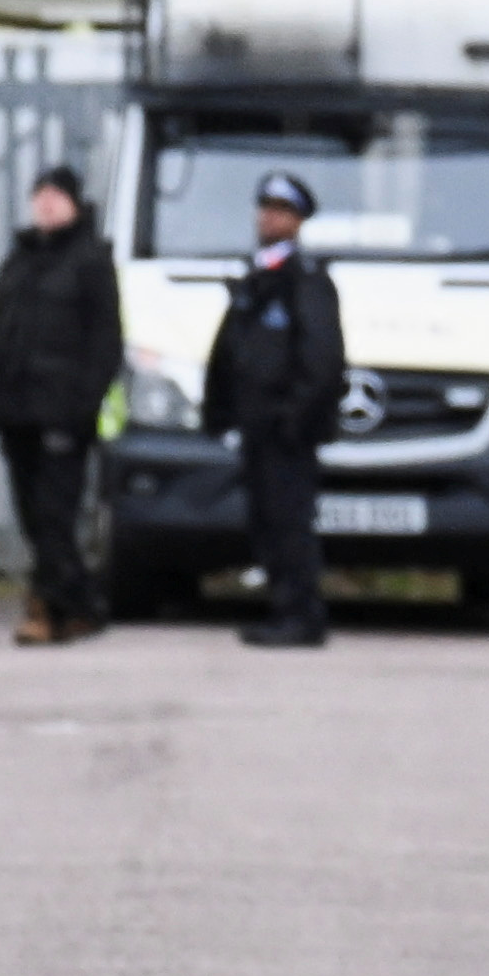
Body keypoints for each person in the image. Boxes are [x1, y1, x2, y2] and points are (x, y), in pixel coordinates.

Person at [0, 162, 122, 644]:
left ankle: (47, 612)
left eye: (57, 195)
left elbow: (105, 343)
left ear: (75, 205)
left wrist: (83, 407)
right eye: (40, 195)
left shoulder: (92, 261)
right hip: (16, 414)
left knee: (55, 517)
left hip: (62, 415)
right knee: (33, 517)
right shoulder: (18, 261)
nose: (46, 203)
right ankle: (84, 603)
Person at [201, 168, 343, 648]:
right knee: (265, 521)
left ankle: (301, 614)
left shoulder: (304, 279)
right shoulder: (259, 276)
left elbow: (321, 358)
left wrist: (294, 419)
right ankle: (283, 608)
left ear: (299, 221)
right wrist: (219, 411)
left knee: (289, 523)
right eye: (266, 209)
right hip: (257, 428)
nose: (269, 218)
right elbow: (233, 349)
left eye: (281, 211)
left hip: (286, 432)